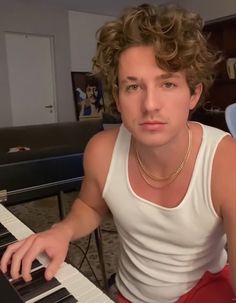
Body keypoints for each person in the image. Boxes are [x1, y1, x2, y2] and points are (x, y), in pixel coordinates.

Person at [1, 4, 236, 303]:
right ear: (117, 96)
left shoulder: (226, 160)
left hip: (206, 289)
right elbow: (89, 204)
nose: (150, 104)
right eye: (134, 86)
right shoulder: (101, 150)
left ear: (193, 94)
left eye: (167, 83)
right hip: (127, 294)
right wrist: (61, 231)